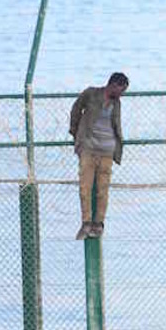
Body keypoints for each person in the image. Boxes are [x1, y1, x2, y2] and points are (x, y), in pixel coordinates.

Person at [69, 72, 129, 239]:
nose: (121, 94)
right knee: (84, 188)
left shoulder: (117, 103)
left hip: (107, 152)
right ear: (113, 85)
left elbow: (116, 125)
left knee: (102, 190)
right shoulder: (91, 94)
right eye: (121, 90)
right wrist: (76, 134)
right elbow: (76, 109)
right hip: (88, 149)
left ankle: (98, 224)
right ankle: (86, 223)